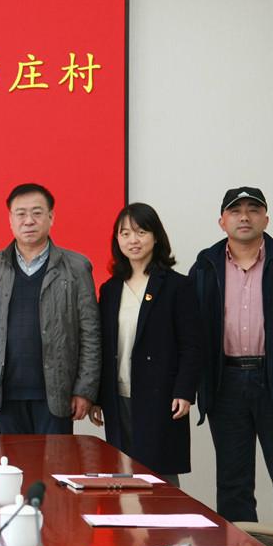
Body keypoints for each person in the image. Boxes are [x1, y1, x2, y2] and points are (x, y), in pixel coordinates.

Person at [189, 187, 273, 539]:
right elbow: (191, 331)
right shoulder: (205, 266)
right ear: (222, 222)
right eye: (236, 211)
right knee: (233, 486)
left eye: (253, 209)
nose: (245, 217)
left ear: (266, 219)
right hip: (226, 385)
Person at [0, 183, 101, 434]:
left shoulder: (77, 266)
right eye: (21, 213)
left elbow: (90, 333)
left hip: (58, 392)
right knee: (11, 460)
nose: (29, 220)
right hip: (6, 392)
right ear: (10, 219)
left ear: (51, 217)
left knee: (56, 460)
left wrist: (84, 389)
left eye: (37, 213)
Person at [91, 203, 200, 486]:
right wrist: (98, 397)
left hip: (161, 395)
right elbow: (104, 347)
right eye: (125, 233)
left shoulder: (177, 286)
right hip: (118, 396)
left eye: (141, 232)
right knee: (122, 473)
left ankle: (163, 518)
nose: (133, 240)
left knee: (159, 475)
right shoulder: (110, 289)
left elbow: (191, 345)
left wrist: (185, 391)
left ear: (156, 237)